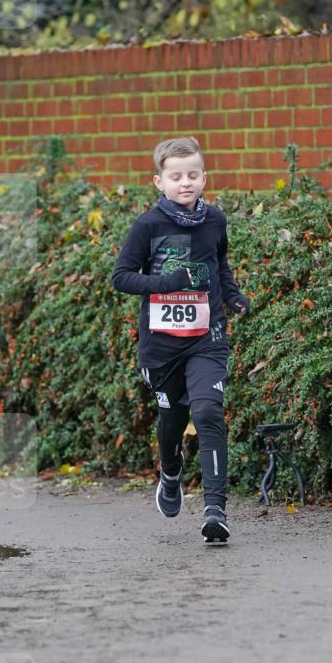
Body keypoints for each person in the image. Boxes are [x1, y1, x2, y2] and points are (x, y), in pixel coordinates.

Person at [111, 136, 250, 543]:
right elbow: (121, 277)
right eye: (176, 177)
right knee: (171, 421)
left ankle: (215, 511)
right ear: (159, 182)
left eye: (192, 175)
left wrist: (234, 295)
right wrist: (167, 282)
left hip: (206, 337)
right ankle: (170, 473)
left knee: (207, 410)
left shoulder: (216, 221)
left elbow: (219, 265)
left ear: (204, 177)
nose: (185, 183)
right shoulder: (148, 226)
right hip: (162, 345)